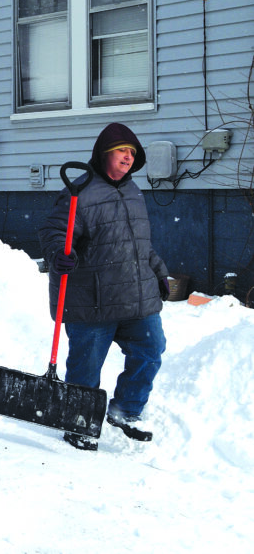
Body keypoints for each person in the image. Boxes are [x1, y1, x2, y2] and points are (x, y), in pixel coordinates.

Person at [39, 122, 169, 451]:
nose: (128, 157)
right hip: (92, 299)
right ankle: (79, 423)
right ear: (103, 154)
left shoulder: (133, 192)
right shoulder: (79, 192)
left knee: (151, 350)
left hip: (136, 296)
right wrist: (59, 254)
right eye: (121, 151)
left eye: (132, 153)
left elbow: (140, 243)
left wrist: (158, 272)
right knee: (86, 366)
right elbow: (54, 233)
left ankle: (125, 410)